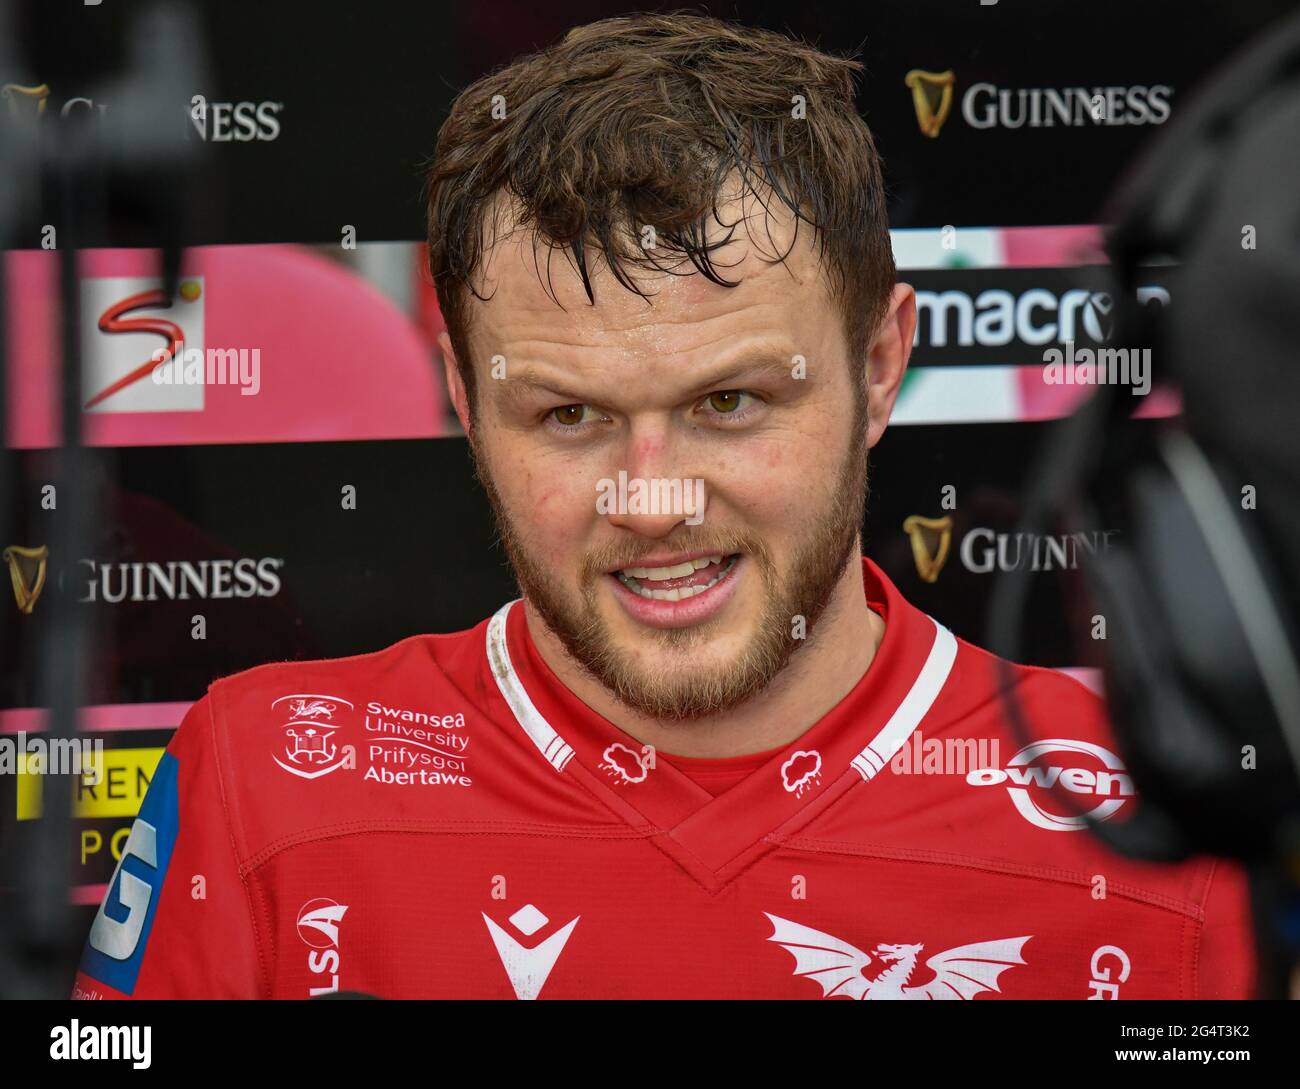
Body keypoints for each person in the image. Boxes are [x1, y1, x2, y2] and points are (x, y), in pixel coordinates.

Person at [73, 13, 1254, 999]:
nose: (652, 499)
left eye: (730, 401)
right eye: (569, 417)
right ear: (462, 398)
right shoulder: (261, 778)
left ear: (883, 363)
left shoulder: (1165, 818)